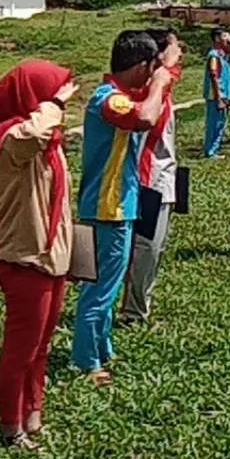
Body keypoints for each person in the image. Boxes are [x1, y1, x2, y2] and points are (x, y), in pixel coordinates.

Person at [0, 61, 80, 450]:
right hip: (25, 259)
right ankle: (10, 426)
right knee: (20, 349)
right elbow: (33, 131)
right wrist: (52, 102)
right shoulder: (12, 139)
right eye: (55, 92)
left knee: (42, 345)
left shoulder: (51, 146)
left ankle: (33, 415)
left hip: (53, 258)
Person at [72, 31, 178, 384]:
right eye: (150, 68)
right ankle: (88, 362)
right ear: (140, 66)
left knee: (109, 285)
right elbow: (145, 118)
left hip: (116, 206)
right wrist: (161, 83)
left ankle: (101, 349)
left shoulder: (114, 97)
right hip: (108, 208)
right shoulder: (110, 100)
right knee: (100, 288)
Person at [120, 28, 183, 326]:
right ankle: (133, 313)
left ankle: (139, 305)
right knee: (145, 249)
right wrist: (166, 67)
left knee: (154, 249)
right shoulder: (147, 91)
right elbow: (150, 119)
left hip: (165, 177)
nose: (180, 52)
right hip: (149, 178)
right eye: (174, 47)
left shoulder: (160, 88)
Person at [202, 28, 230, 159]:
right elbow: (213, 75)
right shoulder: (214, 56)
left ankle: (215, 148)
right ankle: (210, 150)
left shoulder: (223, 57)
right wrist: (219, 97)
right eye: (225, 38)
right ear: (217, 39)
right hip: (216, 96)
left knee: (220, 123)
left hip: (224, 94)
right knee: (214, 123)